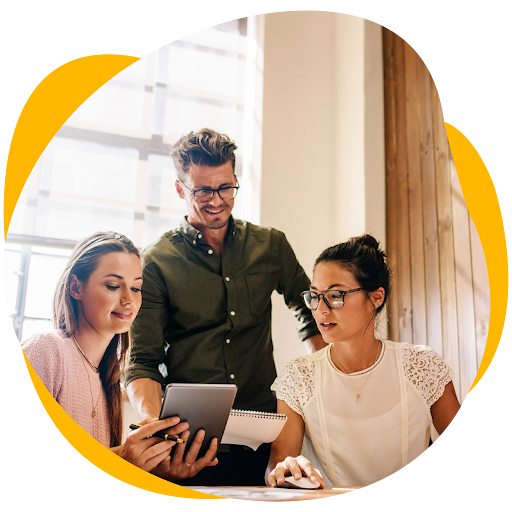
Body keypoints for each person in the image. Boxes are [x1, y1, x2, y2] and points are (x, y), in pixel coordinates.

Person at [125, 128, 324, 485]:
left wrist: (326, 383)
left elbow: (312, 312)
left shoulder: (271, 246)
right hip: (189, 445)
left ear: (235, 181)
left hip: (263, 438)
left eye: (226, 188)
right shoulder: (155, 262)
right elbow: (142, 361)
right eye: (202, 190)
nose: (216, 200)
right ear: (180, 189)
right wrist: (156, 428)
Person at [266, 234, 461, 488]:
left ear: (376, 297)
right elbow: (277, 465)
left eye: (335, 295)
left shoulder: (422, 366)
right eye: (314, 296)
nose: (321, 309)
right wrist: (286, 471)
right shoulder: (299, 376)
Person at [21, 231, 218, 478]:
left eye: (136, 288)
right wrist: (119, 460)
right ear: (75, 287)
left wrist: (156, 472)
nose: (129, 300)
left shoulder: (109, 377)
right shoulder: (45, 351)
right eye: (113, 286)